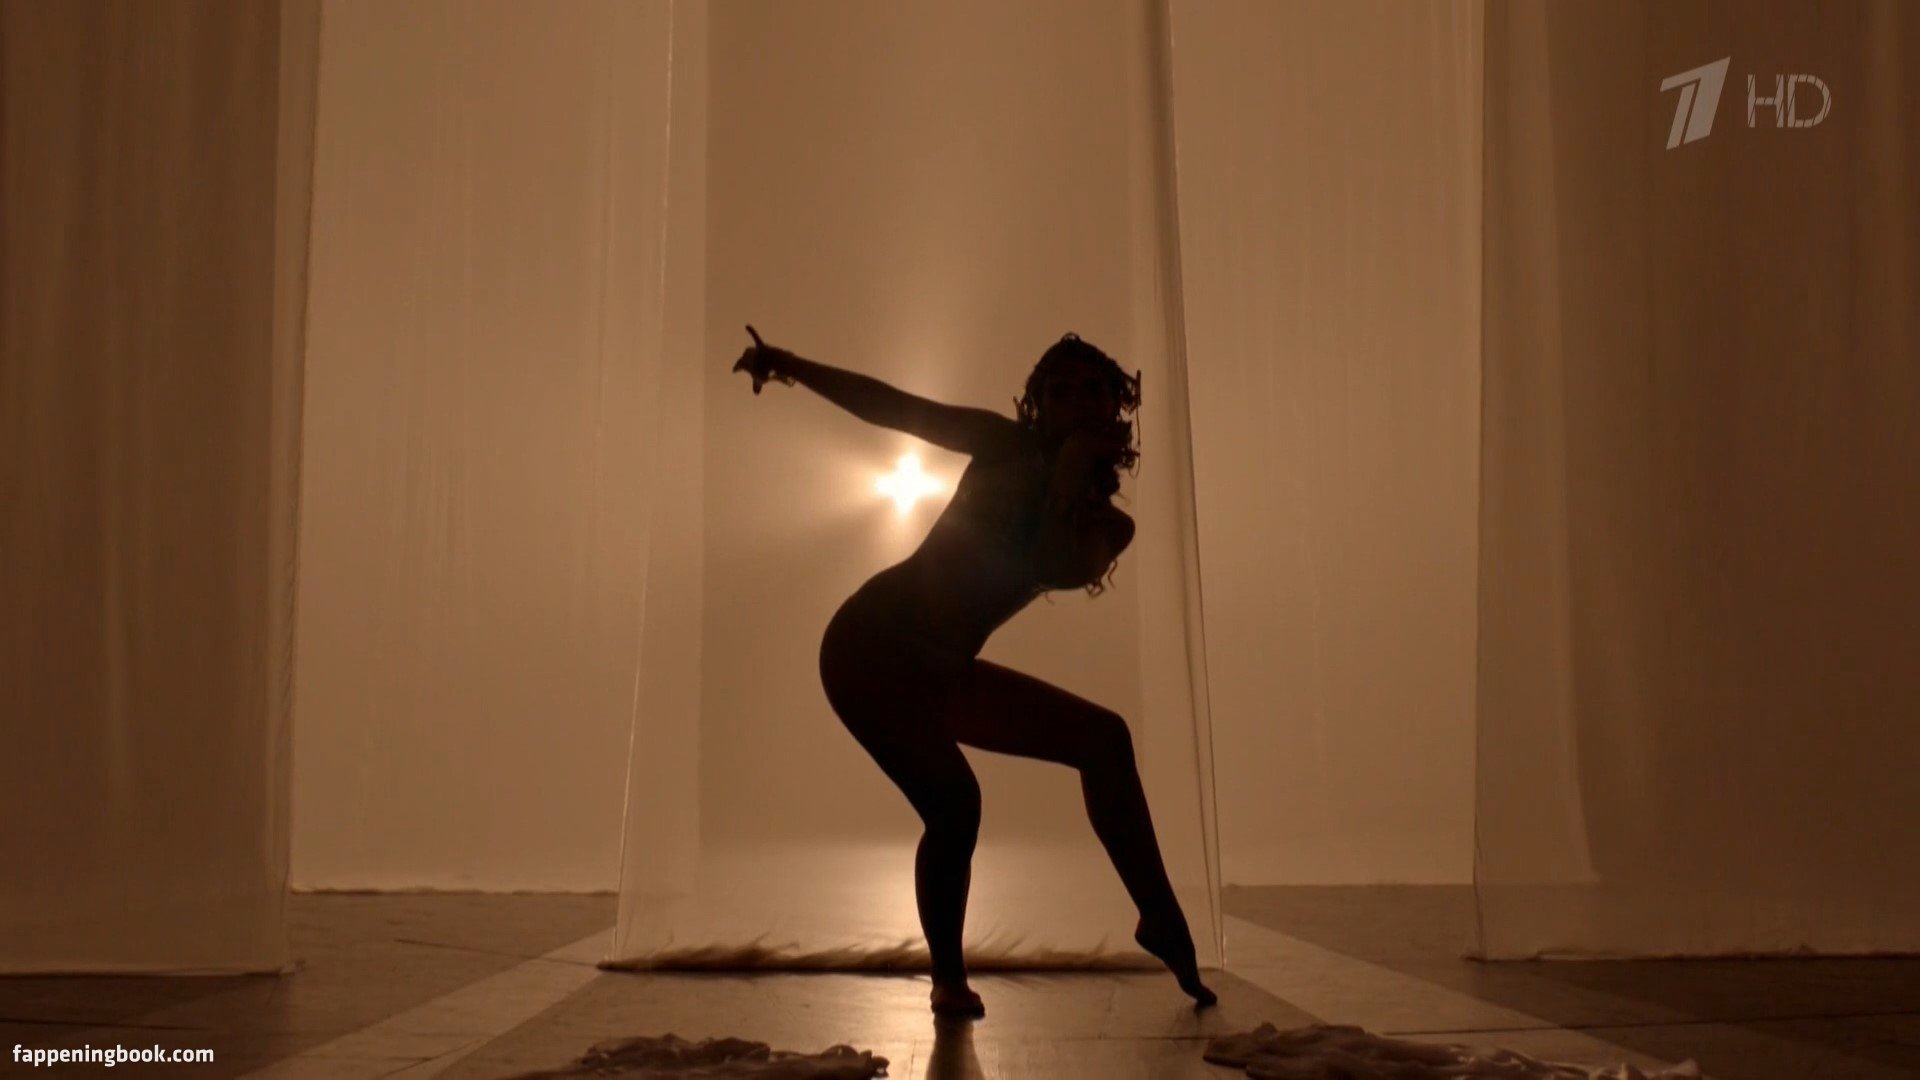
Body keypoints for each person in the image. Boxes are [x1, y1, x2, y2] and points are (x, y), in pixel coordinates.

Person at [732, 325, 1217, 1019]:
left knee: (1104, 739)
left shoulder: (1110, 530)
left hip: (944, 668)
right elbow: (896, 409)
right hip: (868, 648)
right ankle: (947, 979)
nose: (1075, 401)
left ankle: (1159, 915)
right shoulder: (1000, 444)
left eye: (1091, 390)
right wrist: (789, 365)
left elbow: (1051, 560)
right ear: (1037, 406)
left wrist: (1071, 476)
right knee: (955, 804)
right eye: (1059, 391)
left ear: (1115, 407)